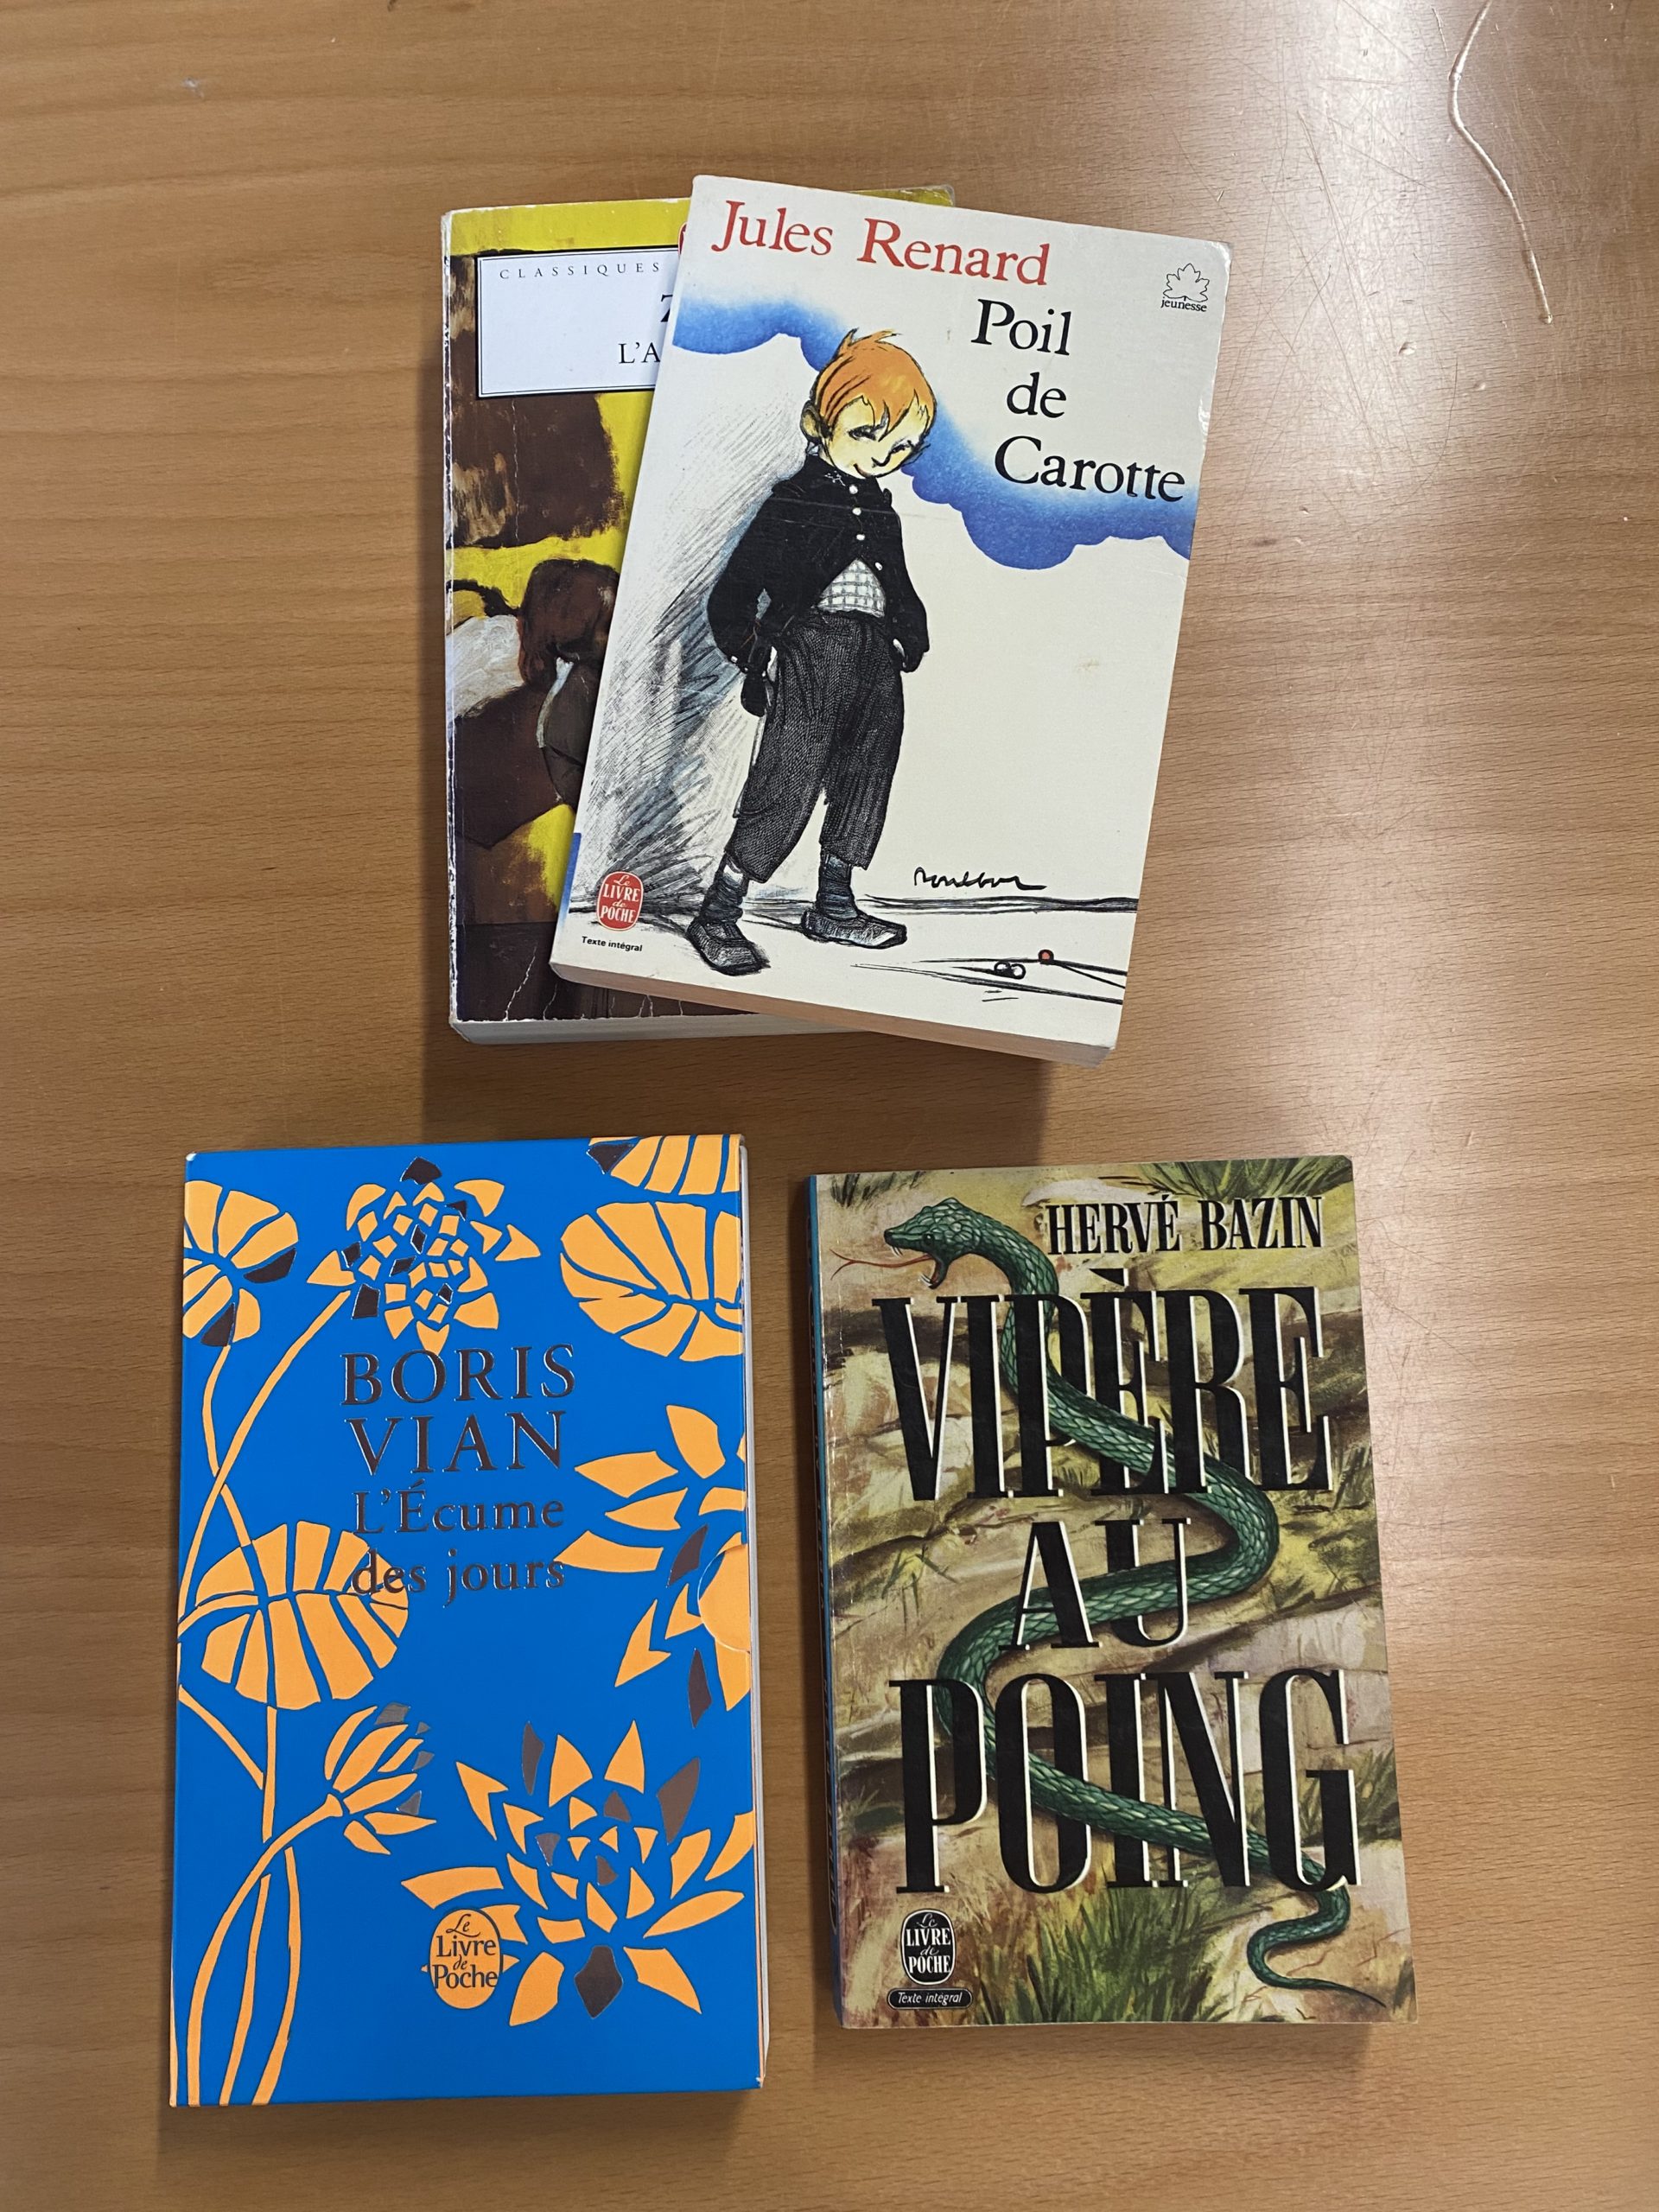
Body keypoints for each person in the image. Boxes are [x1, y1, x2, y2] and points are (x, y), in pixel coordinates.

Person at [692, 329, 934, 976]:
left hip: (874, 658)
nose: (883, 454)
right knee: (787, 779)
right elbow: (733, 594)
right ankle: (718, 913)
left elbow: (898, 585)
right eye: (868, 433)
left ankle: (834, 905)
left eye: (902, 446)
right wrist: (756, 653)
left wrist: (909, 634)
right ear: (817, 424)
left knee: (865, 773)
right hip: (810, 650)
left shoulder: (883, 514)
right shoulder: (792, 504)